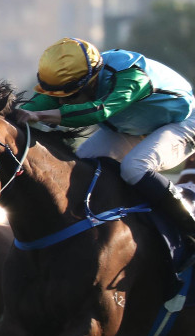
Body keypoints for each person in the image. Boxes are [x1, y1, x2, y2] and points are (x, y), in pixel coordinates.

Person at [21, 37, 195, 270]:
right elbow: (37, 103)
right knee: (81, 165)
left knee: (135, 167)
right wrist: (10, 112)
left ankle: (189, 228)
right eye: (58, 97)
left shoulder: (131, 76)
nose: (62, 102)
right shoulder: (80, 75)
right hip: (133, 127)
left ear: (92, 81)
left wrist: (40, 116)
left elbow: (100, 112)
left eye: (69, 96)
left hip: (181, 123)